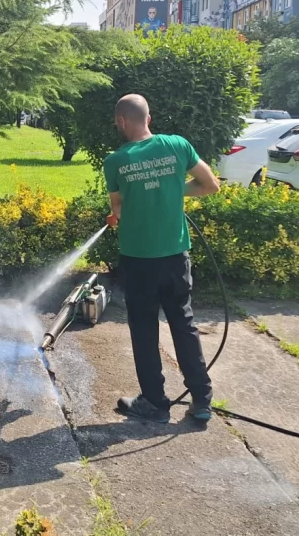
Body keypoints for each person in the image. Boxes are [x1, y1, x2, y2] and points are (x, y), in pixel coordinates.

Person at [102, 94, 220, 424]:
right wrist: (172, 189)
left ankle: (155, 402)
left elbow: (119, 209)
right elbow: (210, 185)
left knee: (144, 330)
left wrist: (119, 213)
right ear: (148, 119)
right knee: (183, 324)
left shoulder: (116, 161)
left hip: (139, 259)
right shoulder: (178, 145)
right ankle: (201, 400)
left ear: (122, 122)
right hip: (175, 255)